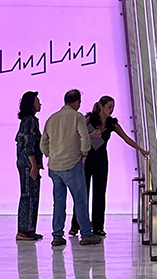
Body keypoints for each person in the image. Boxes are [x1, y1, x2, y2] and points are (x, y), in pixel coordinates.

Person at [70, 96, 148, 237]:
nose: (111, 110)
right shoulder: (89, 118)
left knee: (100, 193)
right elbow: (77, 135)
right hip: (86, 159)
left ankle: (98, 227)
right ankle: (76, 225)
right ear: (101, 106)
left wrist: (141, 150)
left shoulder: (112, 124)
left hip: (101, 160)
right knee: (82, 192)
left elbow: (126, 138)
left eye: (113, 107)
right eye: (109, 107)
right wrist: (91, 135)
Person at [40, 89, 102, 247]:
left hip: (55, 166)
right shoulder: (77, 117)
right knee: (80, 200)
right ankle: (86, 233)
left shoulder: (52, 118)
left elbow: (43, 143)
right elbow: (84, 137)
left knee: (58, 202)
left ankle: (57, 235)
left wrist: (50, 154)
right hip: (72, 164)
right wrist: (84, 153)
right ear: (77, 102)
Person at [14, 91, 44, 242]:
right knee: (28, 195)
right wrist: (34, 165)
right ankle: (23, 230)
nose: (40, 104)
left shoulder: (28, 120)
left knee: (32, 195)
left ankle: (30, 229)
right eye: (37, 101)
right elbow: (29, 144)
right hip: (28, 164)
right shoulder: (30, 121)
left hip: (27, 163)